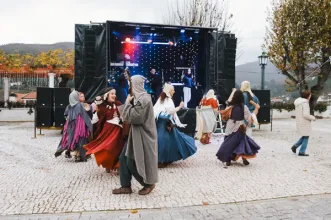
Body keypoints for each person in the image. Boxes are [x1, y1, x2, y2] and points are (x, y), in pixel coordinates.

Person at [112, 75, 158, 195]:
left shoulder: (144, 99)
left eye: (130, 84)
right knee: (123, 158)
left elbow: (134, 118)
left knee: (131, 161)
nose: (129, 86)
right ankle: (126, 186)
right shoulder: (139, 98)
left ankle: (148, 184)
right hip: (135, 134)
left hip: (143, 135)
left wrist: (127, 103)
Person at [154, 83, 197, 167]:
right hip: (165, 123)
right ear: (169, 91)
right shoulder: (168, 100)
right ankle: (161, 160)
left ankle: (163, 159)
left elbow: (156, 111)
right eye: (173, 90)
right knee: (165, 142)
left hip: (161, 123)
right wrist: (180, 106)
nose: (174, 91)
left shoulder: (160, 99)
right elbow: (170, 111)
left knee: (166, 141)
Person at [84, 88, 124, 173]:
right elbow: (99, 117)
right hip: (107, 129)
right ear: (107, 95)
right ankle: (107, 164)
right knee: (106, 147)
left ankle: (118, 165)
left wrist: (120, 117)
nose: (114, 95)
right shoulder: (102, 106)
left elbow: (124, 115)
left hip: (118, 129)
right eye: (112, 94)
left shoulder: (119, 104)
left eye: (114, 93)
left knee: (118, 147)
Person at [216, 90, 260, 166]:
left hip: (230, 126)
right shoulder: (244, 107)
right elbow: (249, 118)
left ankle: (228, 160)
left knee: (229, 143)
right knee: (242, 142)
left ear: (234, 97)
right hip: (240, 126)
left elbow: (224, 115)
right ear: (242, 98)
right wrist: (256, 109)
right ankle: (244, 158)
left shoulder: (230, 106)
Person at [55, 90, 92, 162]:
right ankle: (78, 156)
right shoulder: (81, 105)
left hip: (71, 127)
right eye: (78, 95)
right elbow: (89, 114)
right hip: (80, 128)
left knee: (70, 139)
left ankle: (72, 153)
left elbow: (66, 115)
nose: (80, 97)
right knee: (81, 140)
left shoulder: (69, 106)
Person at [291, 90, 316, 156]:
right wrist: (313, 118)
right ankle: (301, 152)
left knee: (305, 135)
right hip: (305, 122)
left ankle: (295, 146)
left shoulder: (298, 102)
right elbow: (306, 115)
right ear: (308, 96)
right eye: (310, 95)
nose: (310, 96)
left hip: (300, 121)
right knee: (306, 136)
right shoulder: (305, 103)